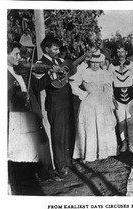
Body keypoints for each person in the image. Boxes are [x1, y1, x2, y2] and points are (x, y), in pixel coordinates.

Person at [7, 41, 57, 194]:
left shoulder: (20, 70)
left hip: (30, 111)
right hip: (17, 115)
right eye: (16, 54)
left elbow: (37, 86)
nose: (19, 58)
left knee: (41, 140)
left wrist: (50, 74)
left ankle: (45, 173)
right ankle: (25, 182)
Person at [33, 35, 75, 176]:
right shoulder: (40, 63)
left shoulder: (59, 60)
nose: (58, 51)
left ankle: (68, 161)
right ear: (47, 49)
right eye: (55, 49)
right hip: (55, 102)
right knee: (58, 133)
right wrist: (51, 74)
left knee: (68, 131)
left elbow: (70, 71)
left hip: (67, 99)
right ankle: (60, 165)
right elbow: (37, 85)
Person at [70, 50, 117, 162]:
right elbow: (73, 83)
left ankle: (103, 151)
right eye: (92, 62)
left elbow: (109, 89)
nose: (95, 65)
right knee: (89, 126)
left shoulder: (105, 73)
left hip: (102, 101)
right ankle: (87, 153)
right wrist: (83, 94)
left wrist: (110, 103)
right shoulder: (84, 72)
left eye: (98, 62)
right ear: (89, 62)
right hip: (89, 102)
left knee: (103, 124)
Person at [108, 43, 133, 153]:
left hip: (131, 96)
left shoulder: (132, 65)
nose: (120, 54)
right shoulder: (112, 66)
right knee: (121, 122)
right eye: (118, 52)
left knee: (130, 121)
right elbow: (109, 83)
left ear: (126, 53)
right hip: (118, 97)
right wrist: (112, 98)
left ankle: (131, 144)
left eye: (122, 52)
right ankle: (124, 143)